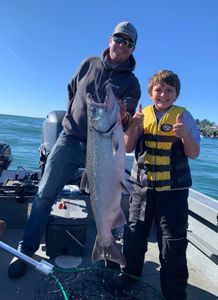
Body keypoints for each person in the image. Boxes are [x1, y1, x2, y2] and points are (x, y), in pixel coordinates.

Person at [8, 21, 141, 279]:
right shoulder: (88, 63)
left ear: (133, 49)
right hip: (70, 139)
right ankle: (26, 249)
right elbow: (72, 91)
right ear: (109, 39)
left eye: (128, 42)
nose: (122, 45)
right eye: (119, 38)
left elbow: (125, 118)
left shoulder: (132, 83)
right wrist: (76, 115)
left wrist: (123, 115)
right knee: (45, 194)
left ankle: (108, 248)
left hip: (105, 147)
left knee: (106, 195)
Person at [115, 70, 200, 300]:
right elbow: (129, 147)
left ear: (176, 94)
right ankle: (129, 276)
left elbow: (193, 153)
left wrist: (185, 135)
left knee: (172, 243)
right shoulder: (142, 115)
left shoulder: (185, 116)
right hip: (141, 189)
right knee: (133, 235)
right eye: (159, 90)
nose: (163, 94)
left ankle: (174, 292)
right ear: (151, 92)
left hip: (173, 193)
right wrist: (133, 125)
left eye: (169, 90)